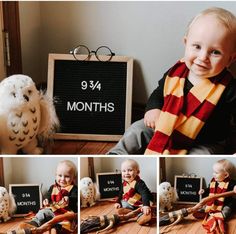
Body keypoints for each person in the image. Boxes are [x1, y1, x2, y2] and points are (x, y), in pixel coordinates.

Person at [108, 7, 236, 155]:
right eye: (197, 47)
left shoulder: (228, 87)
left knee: (204, 155)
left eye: (215, 52)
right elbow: (159, 92)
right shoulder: (176, 73)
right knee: (137, 129)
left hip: (205, 141)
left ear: (230, 59)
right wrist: (153, 108)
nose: (203, 57)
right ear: (186, 43)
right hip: (165, 128)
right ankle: (117, 154)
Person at [20, 160, 78, 232]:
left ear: (74, 178)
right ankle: (34, 223)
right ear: (56, 175)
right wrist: (46, 200)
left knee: (66, 222)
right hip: (52, 210)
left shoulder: (74, 188)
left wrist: (69, 199)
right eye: (60, 175)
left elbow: (75, 198)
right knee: (43, 212)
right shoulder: (53, 187)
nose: (62, 179)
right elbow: (48, 195)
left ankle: (56, 229)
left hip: (65, 213)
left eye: (67, 176)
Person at [193, 159, 236, 233]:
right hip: (214, 202)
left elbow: (235, 185)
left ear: (226, 175)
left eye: (216, 173)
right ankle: (209, 211)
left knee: (227, 210)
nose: (213, 174)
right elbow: (209, 189)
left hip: (226, 203)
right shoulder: (213, 181)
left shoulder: (230, 183)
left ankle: (220, 215)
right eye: (214, 172)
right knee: (202, 208)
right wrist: (204, 190)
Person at [114, 159, 153, 225]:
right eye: (124, 171)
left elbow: (144, 194)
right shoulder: (124, 183)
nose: (126, 173)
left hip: (141, 202)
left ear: (137, 172)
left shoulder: (139, 183)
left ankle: (141, 214)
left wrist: (146, 205)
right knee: (122, 204)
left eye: (130, 170)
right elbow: (120, 193)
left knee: (146, 209)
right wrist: (117, 202)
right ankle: (132, 212)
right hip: (131, 202)